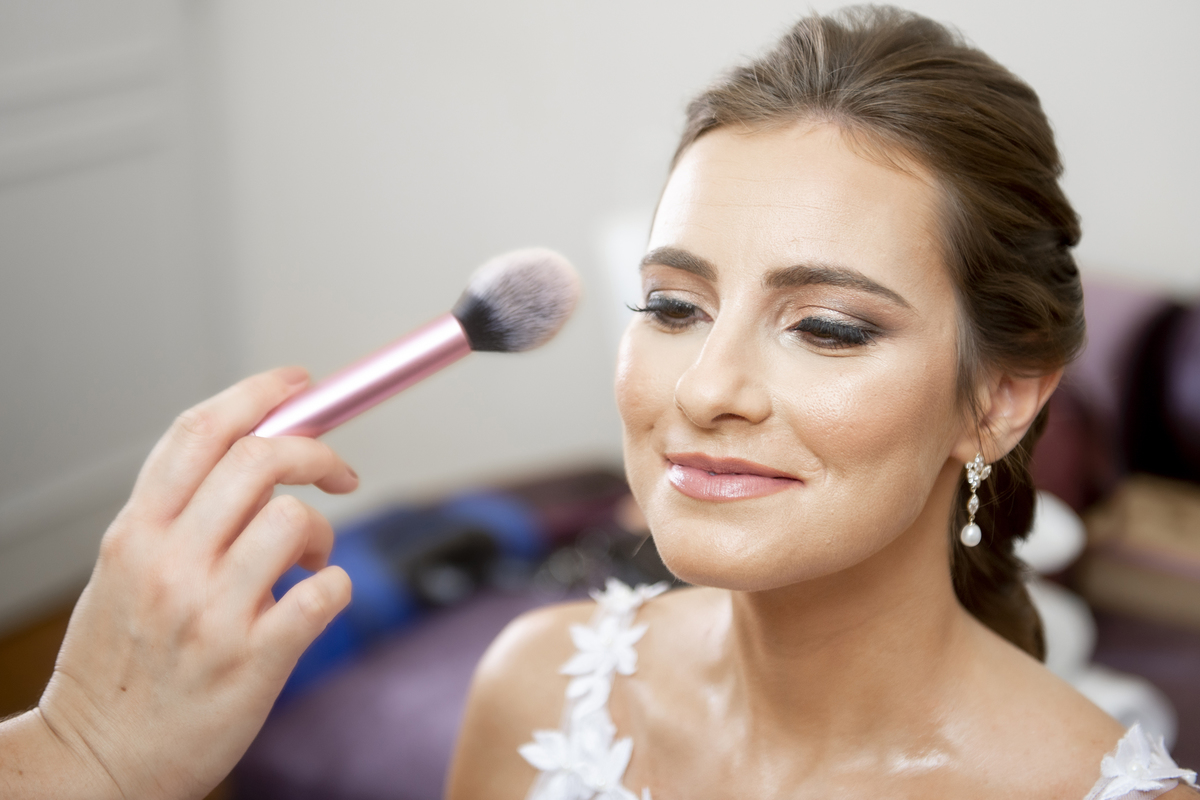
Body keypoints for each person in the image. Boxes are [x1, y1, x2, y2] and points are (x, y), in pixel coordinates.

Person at [446, 7, 1198, 800]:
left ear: (997, 401)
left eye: (826, 328)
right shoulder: (539, 693)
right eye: (672, 308)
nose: (705, 388)